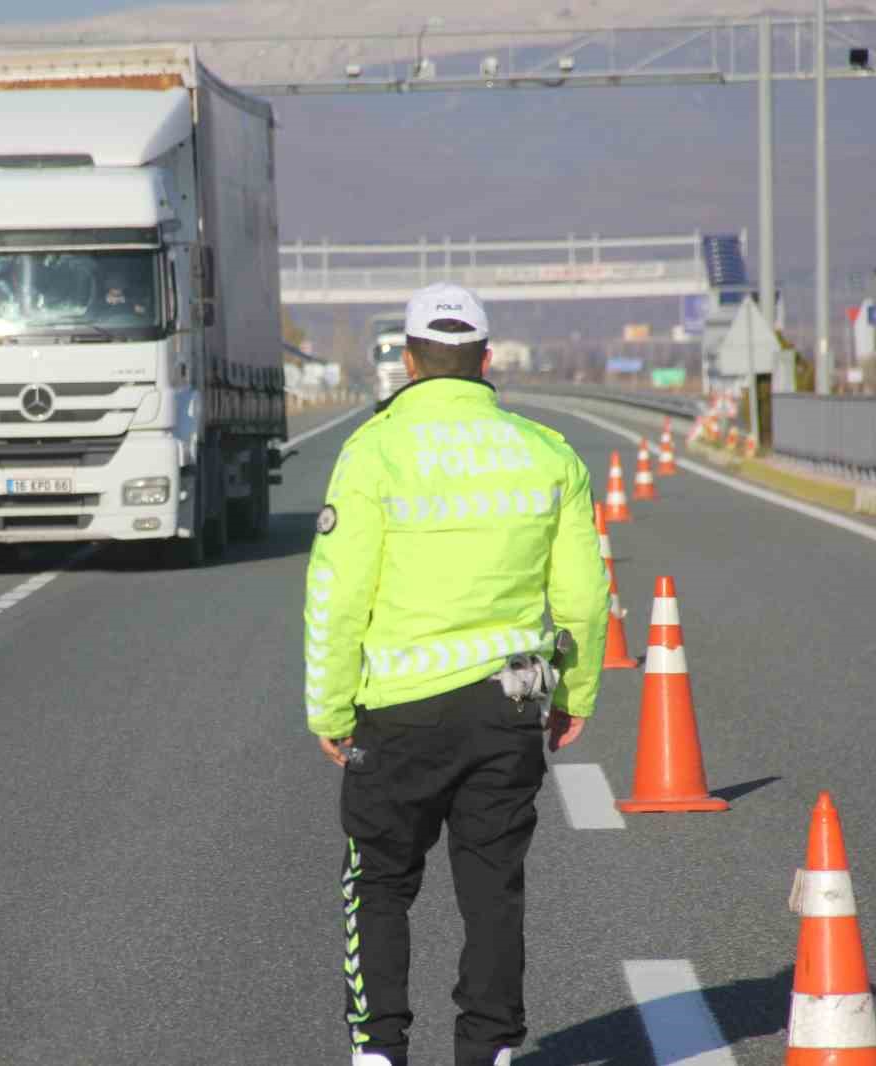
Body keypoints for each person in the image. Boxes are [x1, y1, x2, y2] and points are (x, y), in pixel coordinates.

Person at [303, 283, 609, 1066]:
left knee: (376, 883)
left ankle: (377, 1052)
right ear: (487, 360)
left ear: (408, 362)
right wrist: (574, 695)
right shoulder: (546, 453)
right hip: (506, 710)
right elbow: (582, 592)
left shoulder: (372, 452)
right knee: (492, 886)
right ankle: (490, 1050)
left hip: (395, 714)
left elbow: (337, 593)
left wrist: (331, 707)